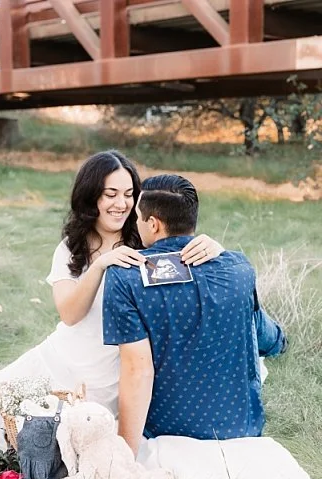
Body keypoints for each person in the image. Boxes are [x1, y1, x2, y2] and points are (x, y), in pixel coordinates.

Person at [0, 151, 224, 479]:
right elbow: (69, 314)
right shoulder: (72, 247)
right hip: (61, 356)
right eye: (111, 194)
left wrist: (212, 246)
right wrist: (100, 265)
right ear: (91, 196)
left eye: (129, 195)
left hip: (110, 372)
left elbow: (182, 253)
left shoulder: (144, 238)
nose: (121, 204)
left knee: (65, 439)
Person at [104, 175, 267, 453]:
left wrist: (124, 456)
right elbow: (257, 329)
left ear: (153, 224)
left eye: (138, 217)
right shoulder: (240, 267)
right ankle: (281, 341)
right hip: (240, 426)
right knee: (263, 331)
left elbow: (137, 371)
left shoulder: (124, 277)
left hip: (167, 427)